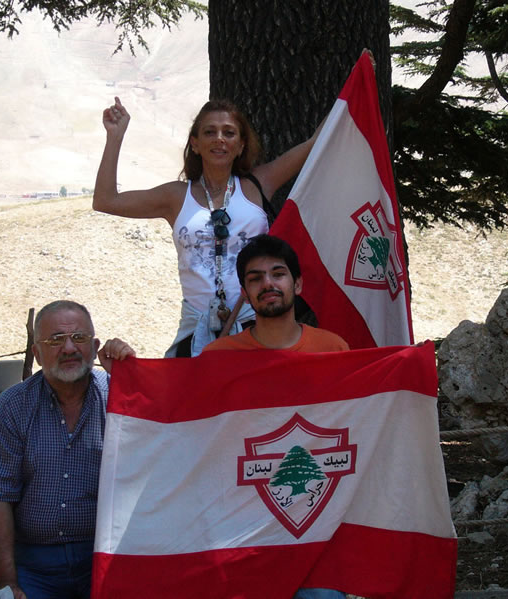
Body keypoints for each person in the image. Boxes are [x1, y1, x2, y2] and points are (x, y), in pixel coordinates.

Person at [93, 97, 323, 357]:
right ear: (195, 143)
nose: (219, 139)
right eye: (210, 132)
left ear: (241, 145)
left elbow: (314, 143)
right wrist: (115, 137)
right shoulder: (175, 196)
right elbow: (105, 201)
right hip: (196, 331)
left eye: (229, 132)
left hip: (258, 326)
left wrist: (355, 84)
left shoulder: (259, 184)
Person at [203, 235, 347, 599]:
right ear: (245, 292)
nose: (267, 283)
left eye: (278, 274)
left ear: (297, 284)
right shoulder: (217, 358)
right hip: (242, 525)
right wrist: (126, 372)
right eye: (255, 278)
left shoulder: (334, 350)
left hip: (316, 521)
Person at [0, 300, 136, 599]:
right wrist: (9, 584)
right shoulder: (12, 407)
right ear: (36, 353)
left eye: (79, 338)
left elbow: (162, 459)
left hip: (107, 557)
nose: (69, 348)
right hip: (34, 565)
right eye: (56, 340)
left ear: (95, 346)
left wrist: (130, 379)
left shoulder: (121, 397)